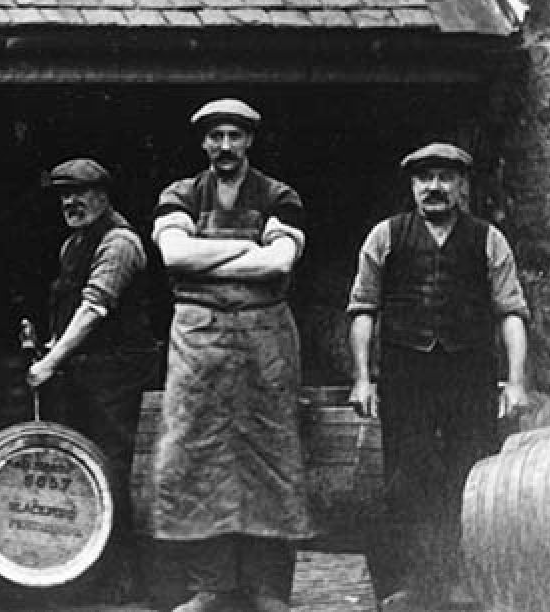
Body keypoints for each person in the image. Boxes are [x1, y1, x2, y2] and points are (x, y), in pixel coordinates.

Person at [347, 142, 530, 612]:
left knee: (471, 475)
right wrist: (362, 378)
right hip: (407, 373)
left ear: (462, 186)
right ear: (411, 185)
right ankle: (411, 584)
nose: (435, 187)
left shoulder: (488, 239)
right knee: (407, 476)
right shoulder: (384, 237)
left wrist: (515, 381)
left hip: (469, 371)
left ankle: (465, 581)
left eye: (446, 177)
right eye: (425, 177)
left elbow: (510, 311)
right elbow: (363, 309)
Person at [150, 99, 314, 612]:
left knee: (271, 461)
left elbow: (279, 263)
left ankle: (269, 590)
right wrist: (247, 248)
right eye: (216, 136)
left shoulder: (279, 195)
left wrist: (207, 257)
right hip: (197, 346)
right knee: (198, 460)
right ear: (203, 142)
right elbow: (174, 254)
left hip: (265, 345)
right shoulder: (179, 194)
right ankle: (212, 586)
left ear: (249, 142)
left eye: (235, 136)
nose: (225, 146)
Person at [26, 158, 159, 600]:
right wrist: (47, 346)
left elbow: (94, 310)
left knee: (108, 469)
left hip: (115, 373)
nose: (70, 202)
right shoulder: (73, 245)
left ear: (104, 195)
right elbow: (67, 310)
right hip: (84, 372)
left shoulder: (119, 243)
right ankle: (85, 569)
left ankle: (124, 576)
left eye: (79, 193)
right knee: (80, 469)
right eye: (63, 194)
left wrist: (51, 362)